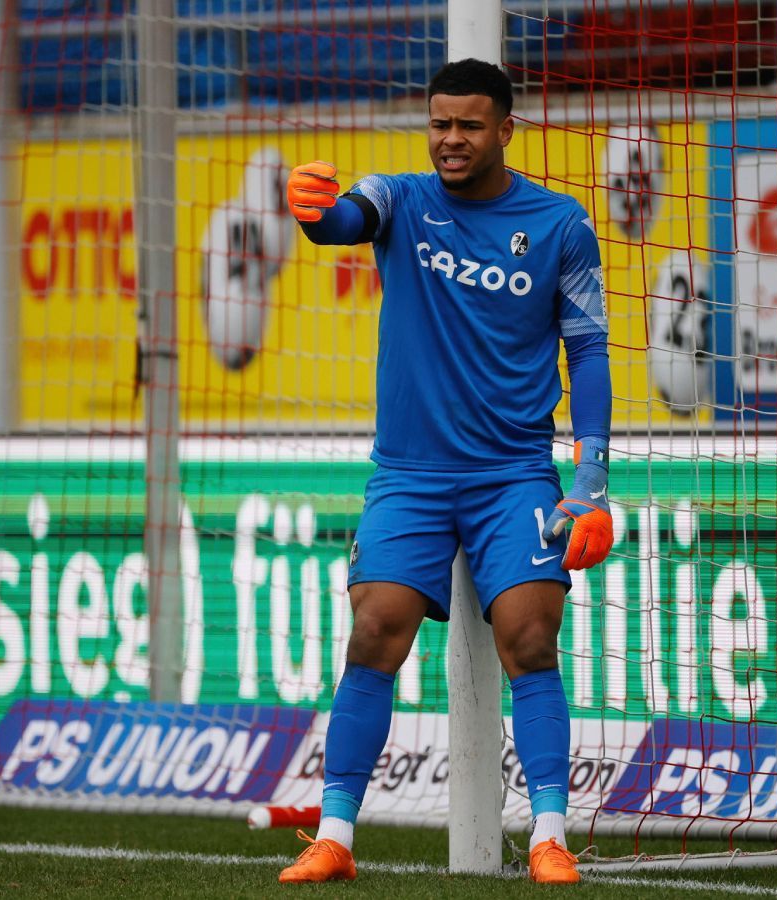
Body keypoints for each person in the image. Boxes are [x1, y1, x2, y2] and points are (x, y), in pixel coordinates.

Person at [278, 59, 613, 885]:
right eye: (438, 123)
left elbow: (590, 354)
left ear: (506, 128)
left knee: (531, 640)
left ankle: (548, 836)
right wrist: (316, 209)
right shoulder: (401, 199)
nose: (449, 140)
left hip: (513, 476)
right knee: (373, 631)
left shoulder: (562, 225)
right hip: (411, 474)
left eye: (468, 125)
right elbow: (344, 220)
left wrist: (591, 485)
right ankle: (336, 838)